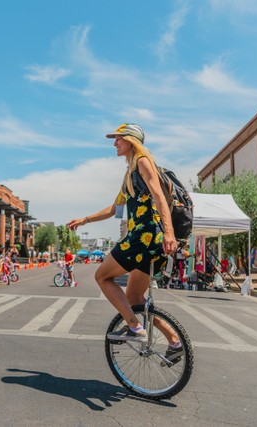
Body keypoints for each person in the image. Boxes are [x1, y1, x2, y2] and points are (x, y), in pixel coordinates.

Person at [67, 123, 181, 360]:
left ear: (132, 140)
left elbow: (159, 197)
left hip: (145, 237)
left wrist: (169, 233)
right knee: (135, 300)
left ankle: (134, 327)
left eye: (119, 138)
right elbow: (114, 209)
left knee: (101, 276)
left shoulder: (142, 162)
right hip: (149, 241)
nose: (115, 143)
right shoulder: (130, 174)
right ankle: (174, 341)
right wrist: (85, 219)